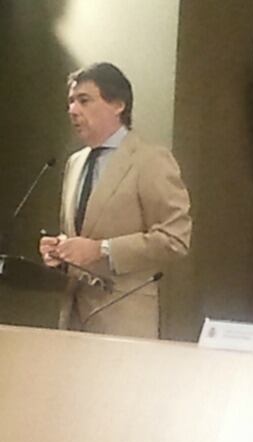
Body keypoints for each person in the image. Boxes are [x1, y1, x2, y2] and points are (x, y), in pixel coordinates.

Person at [39, 62, 191, 338]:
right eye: (71, 101)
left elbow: (176, 238)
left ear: (118, 105)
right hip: (73, 320)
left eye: (84, 100)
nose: (73, 110)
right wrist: (61, 251)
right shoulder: (75, 163)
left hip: (124, 320)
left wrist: (102, 250)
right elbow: (84, 235)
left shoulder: (149, 160)